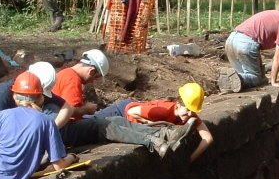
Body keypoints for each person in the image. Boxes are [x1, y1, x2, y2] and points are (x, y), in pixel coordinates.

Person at [51, 49, 197, 155]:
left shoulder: (65, 74)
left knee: (117, 120)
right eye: (95, 78)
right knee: (107, 125)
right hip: (65, 130)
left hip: (63, 128)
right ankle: (154, 141)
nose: (92, 81)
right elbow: (71, 112)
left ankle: (167, 133)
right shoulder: (72, 79)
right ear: (90, 71)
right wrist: (86, 109)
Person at [218, 9, 279, 93]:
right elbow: (277, 56)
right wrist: (274, 81)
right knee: (255, 79)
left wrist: (262, 73)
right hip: (245, 44)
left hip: (231, 39)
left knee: (243, 80)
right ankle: (236, 78)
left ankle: (228, 78)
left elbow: (257, 46)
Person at [122, 83, 214, 163]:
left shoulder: (190, 114)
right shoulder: (163, 111)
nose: (190, 114)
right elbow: (131, 112)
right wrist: (154, 125)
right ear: (178, 103)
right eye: (188, 109)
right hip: (121, 111)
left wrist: (190, 159)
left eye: (193, 111)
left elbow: (207, 138)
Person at [0, 61, 73, 132]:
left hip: (21, 129)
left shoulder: (36, 90)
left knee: (53, 108)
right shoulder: (1, 95)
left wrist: (53, 128)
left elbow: (67, 108)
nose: (37, 97)